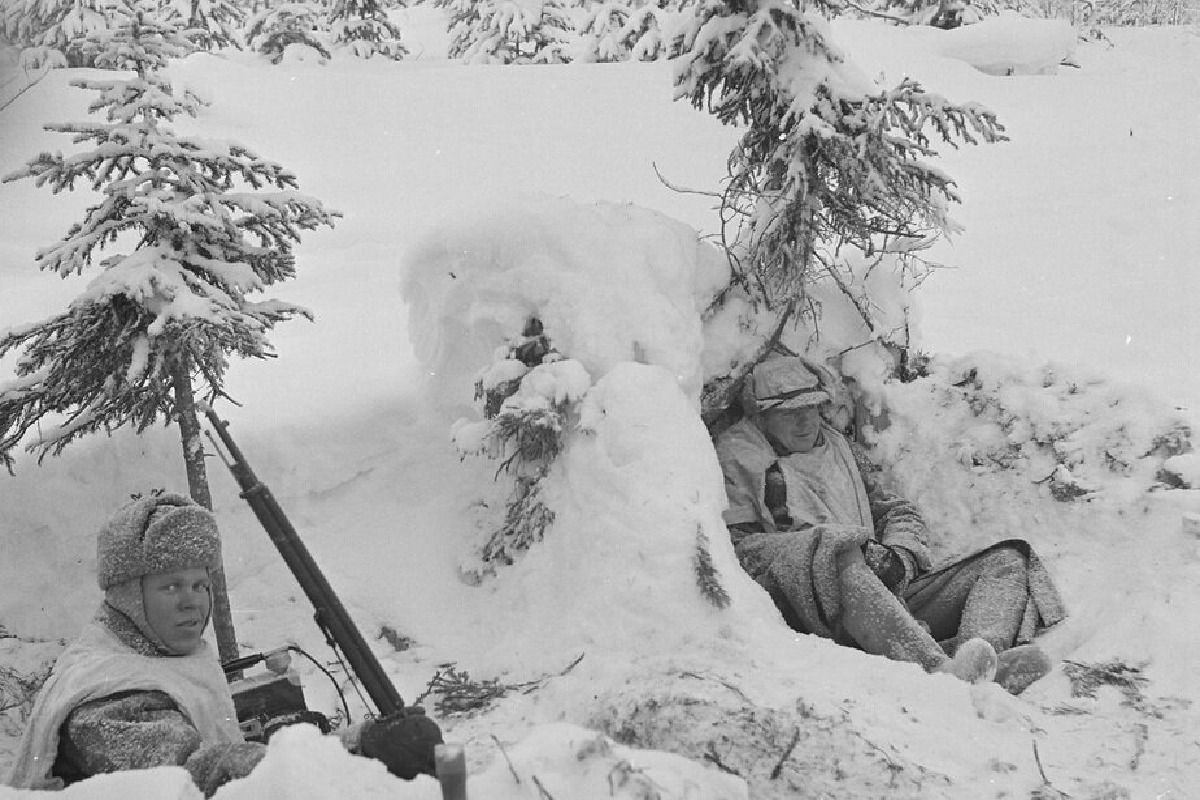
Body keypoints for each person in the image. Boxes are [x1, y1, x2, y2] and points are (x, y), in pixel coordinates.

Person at [5, 491, 440, 795]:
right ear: (128, 596)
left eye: (199, 583)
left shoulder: (156, 653)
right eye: (171, 586)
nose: (192, 601)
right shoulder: (106, 698)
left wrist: (351, 745)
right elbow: (198, 777)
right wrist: (350, 760)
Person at [714, 356, 1066, 693]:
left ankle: (981, 660)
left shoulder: (841, 448)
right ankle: (938, 675)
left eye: (810, 409)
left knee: (1007, 559)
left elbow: (896, 510)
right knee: (837, 552)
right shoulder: (739, 458)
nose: (805, 422)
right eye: (789, 414)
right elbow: (739, 549)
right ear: (763, 417)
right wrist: (826, 546)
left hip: (885, 594)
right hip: (818, 603)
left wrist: (900, 555)